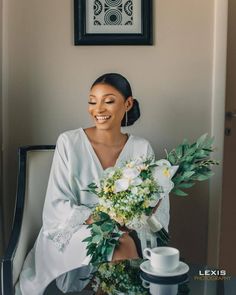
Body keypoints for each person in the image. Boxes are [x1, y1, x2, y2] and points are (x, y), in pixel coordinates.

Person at [16, 73, 170, 294]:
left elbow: (156, 207)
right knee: (118, 244)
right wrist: (103, 218)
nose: (98, 109)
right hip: (74, 229)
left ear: (127, 103)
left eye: (108, 101)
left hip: (128, 230)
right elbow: (56, 204)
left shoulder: (141, 148)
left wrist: (134, 216)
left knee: (123, 241)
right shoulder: (69, 142)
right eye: (92, 101)